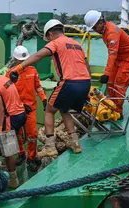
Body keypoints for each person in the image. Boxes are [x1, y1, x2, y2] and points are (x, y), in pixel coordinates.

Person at [9, 19, 91, 157]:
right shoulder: (77, 44)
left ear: (51, 33)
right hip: (85, 82)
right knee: (64, 109)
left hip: (69, 83)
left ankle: (50, 146)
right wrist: (88, 87)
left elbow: (38, 55)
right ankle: (75, 142)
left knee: (49, 111)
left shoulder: (56, 43)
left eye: (48, 37)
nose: (48, 40)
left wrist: (18, 68)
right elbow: (86, 64)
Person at [84, 10, 129, 119]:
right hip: (119, 59)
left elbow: (112, 55)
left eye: (95, 28)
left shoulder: (111, 33)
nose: (95, 30)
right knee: (110, 84)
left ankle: (118, 113)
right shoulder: (105, 31)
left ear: (100, 23)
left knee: (119, 85)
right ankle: (110, 106)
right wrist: (108, 75)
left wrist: (106, 73)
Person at [5, 45, 47, 172]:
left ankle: (31, 158)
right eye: (20, 60)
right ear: (15, 60)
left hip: (31, 108)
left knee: (32, 134)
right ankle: (21, 154)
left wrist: (44, 99)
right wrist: (10, 82)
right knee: (17, 134)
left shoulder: (33, 71)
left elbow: (38, 87)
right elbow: (6, 90)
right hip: (16, 109)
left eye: (24, 60)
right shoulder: (10, 73)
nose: (22, 63)